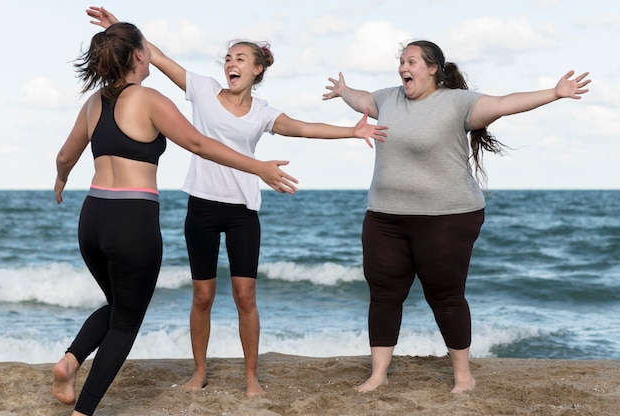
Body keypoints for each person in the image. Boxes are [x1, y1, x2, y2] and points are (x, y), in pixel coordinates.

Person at [86, 6, 387, 398]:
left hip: (243, 211)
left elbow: (301, 128)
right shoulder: (203, 89)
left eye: (240, 58)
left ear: (257, 69)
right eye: (228, 58)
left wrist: (351, 130)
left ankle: (251, 377)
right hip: (202, 207)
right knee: (203, 295)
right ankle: (198, 372)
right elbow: (156, 57)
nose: (231, 63)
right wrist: (119, 32)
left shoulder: (262, 112)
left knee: (246, 296)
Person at [52, 21, 301, 416]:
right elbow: (200, 144)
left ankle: (70, 361)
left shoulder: (94, 103)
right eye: (145, 47)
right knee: (125, 322)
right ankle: (84, 410)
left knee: (118, 304)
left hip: (91, 218)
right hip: (130, 220)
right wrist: (258, 168)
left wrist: (61, 179)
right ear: (138, 55)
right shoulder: (149, 99)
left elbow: (66, 156)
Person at [322, 40, 590, 394]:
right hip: (385, 217)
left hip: (447, 216)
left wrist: (554, 93)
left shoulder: (457, 103)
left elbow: (504, 103)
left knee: (445, 295)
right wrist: (343, 91)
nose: (404, 67)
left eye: (412, 61)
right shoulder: (388, 98)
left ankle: (463, 375)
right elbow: (360, 99)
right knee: (384, 294)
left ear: (432, 68)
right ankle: (378, 374)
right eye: (401, 61)